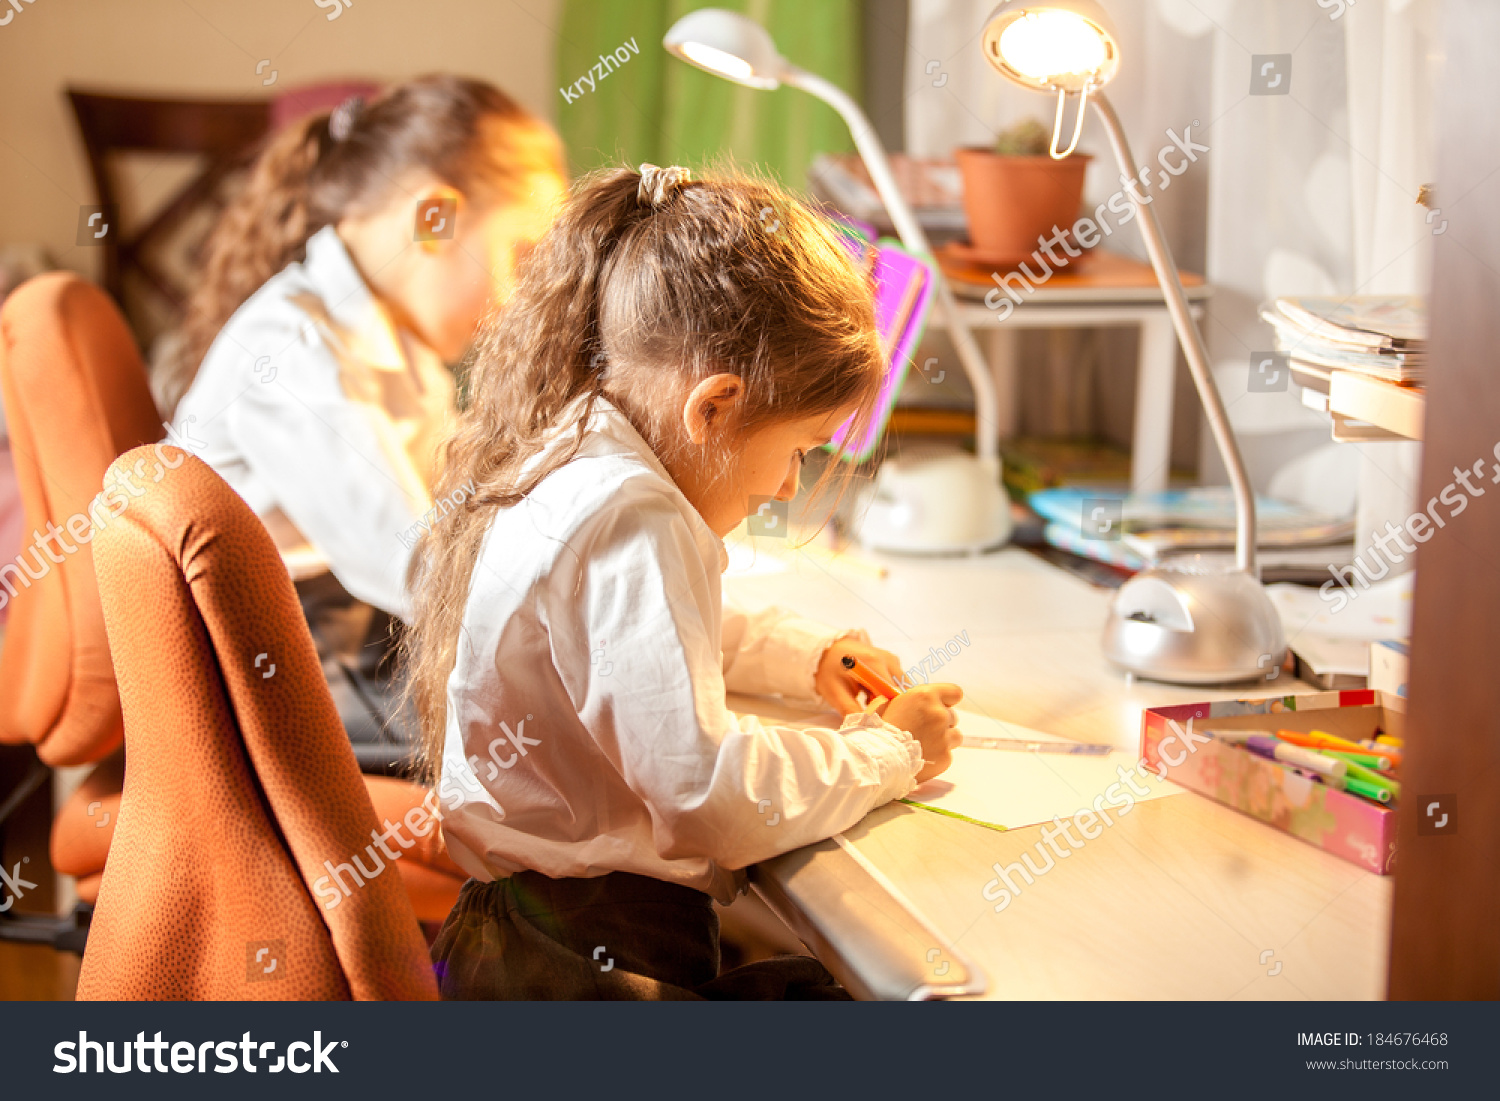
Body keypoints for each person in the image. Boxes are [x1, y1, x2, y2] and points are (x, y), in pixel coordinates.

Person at [403, 165, 964, 999]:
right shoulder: (635, 514)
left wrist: (807, 656)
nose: (786, 485)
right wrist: (892, 750)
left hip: (525, 950)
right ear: (714, 407)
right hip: (582, 976)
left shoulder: (587, 453)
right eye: (801, 448)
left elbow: (645, 638)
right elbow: (709, 794)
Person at [166, 76, 566, 767]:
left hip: (345, 643)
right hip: (270, 676)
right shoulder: (292, 349)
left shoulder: (396, 351)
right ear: (435, 218)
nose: (519, 298)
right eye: (519, 257)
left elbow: (461, 519)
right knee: (557, 743)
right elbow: (421, 568)